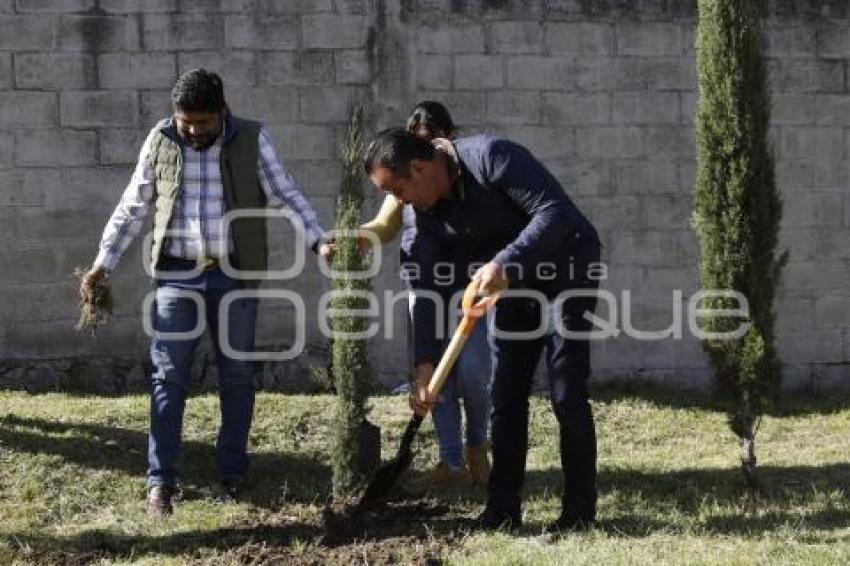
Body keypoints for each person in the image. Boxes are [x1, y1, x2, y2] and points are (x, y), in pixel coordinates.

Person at [80, 69, 329, 516]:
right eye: (185, 122)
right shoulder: (160, 140)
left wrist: (318, 239)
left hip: (234, 276)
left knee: (237, 377)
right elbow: (132, 206)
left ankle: (232, 472)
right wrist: (103, 264)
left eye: (203, 123)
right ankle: (162, 483)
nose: (194, 130)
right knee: (168, 377)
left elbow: (285, 194)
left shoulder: (252, 138)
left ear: (222, 111)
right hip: (176, 276)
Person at [363, 128, 601, 532]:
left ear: (419, 168)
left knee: (566, 392)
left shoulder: (491, 157)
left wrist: (503, 263)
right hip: (510, 284)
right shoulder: (426, 215)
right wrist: (424, 365)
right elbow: (428, 289)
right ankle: (502, 511)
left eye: (398, 191)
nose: (398, 203)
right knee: (505, 395)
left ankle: (578, 514)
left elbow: (555, 212)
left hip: (567, 267)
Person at [358, 102, 492, 490]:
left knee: (473, 372)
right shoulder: (403, 185)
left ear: (447, 140)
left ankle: (477, 447)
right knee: (434, 378)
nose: (420, 156)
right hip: (425, 286)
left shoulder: (465, 175)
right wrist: (359, 237)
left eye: (430, 142)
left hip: (472, 290)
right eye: (414, 144)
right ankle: (451, 463)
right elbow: (384, 225)